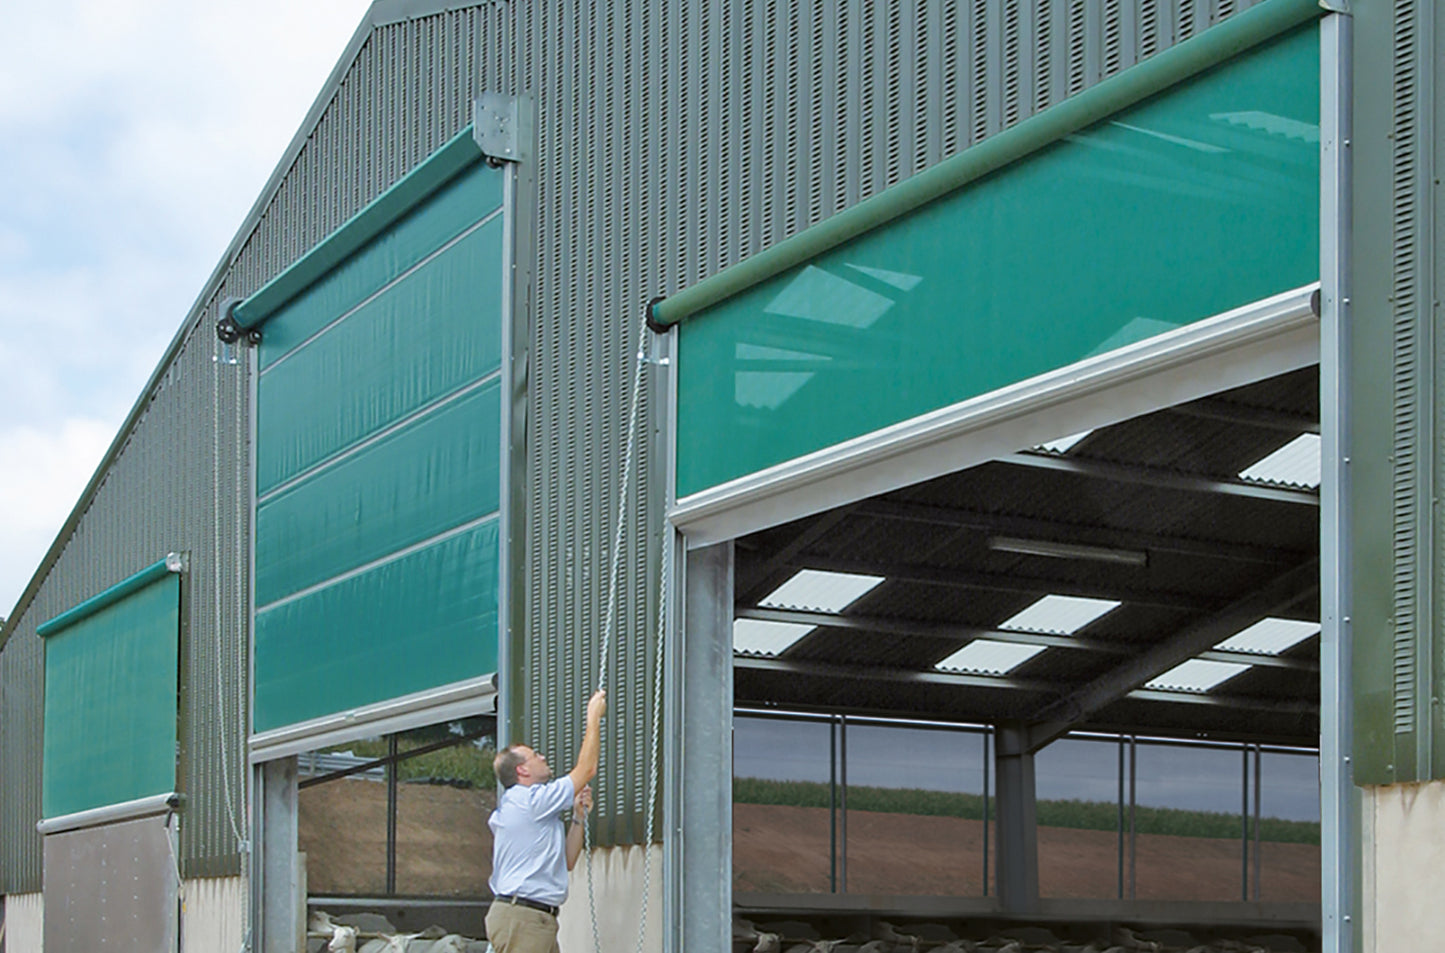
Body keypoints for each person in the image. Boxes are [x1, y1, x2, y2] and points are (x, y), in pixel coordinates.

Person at [485, 689, 607, 953]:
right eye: (534, 755)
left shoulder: (533, 810)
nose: (542, 757)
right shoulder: (529, 801)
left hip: (533, 918)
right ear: (522, 770)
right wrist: (593, 718)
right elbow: (587, 770)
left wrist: (578, 818)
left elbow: (567, 862)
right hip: (525, 918)